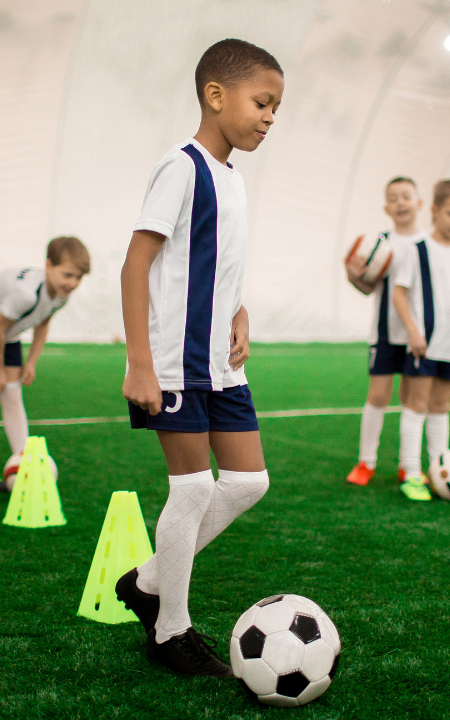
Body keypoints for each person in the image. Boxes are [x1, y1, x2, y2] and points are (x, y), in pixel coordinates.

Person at [114, 38, 282, 677]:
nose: (270, 117)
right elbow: (137, 262)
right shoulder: (181, 167)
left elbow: (222, 264)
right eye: (262, 102)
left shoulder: (232, 177)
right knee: (190, 490)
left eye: (276, 109)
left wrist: (239, 312)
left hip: (221, 361)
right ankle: (170, 631)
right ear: (216, 96)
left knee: (248, 482)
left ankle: (147, 581)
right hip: (175, 360)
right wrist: (140, 363)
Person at [0, 236, 90, 492]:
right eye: (67, 275)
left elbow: (43, 323)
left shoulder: (62, 295)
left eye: (78, 277)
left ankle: (25, 460)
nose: (72, 283)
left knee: (13, 393)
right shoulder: (25, 294)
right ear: (48, 265)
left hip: (7, 331)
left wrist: (31, 362)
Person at [391, 179, 450, 501]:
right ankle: (411, 472)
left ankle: (438, 470)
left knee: (441, 408)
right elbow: (399, 295)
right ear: (434, 211)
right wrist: (414, 333)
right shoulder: (417, 251)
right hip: (424, 345)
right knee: (417, 406)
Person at [344, 177, 428, 487]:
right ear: (386, 207)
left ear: (419, 203)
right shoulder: (378, 243)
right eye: (393, 198)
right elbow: (368, 288)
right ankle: (366, 463)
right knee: (378, 395)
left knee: (412, 398)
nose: (400, 202)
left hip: (418, 336)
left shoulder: (428, 245)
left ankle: (408, 465)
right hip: (384, 334)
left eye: (406, 196)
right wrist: (353, 276)